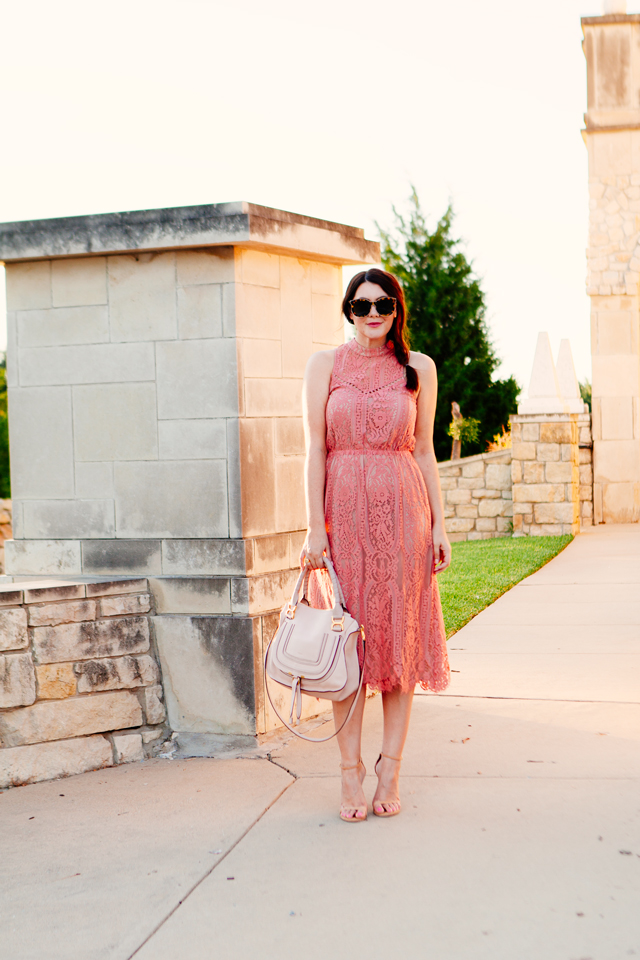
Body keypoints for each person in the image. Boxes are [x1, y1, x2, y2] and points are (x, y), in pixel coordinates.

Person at [301, 267, 451, 822]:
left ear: (397, 311)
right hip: (343, 517)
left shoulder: (418, 369)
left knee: (398, 641)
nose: (372, 315)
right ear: (348, 310)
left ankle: (390, 767)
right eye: (361, 305)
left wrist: (439, 524)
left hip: (405, 514)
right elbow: (315, 449)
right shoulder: (325, 365)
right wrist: (315, 526)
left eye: (383, 305)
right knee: (348, 648)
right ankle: (349, 772)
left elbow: (426, 450)